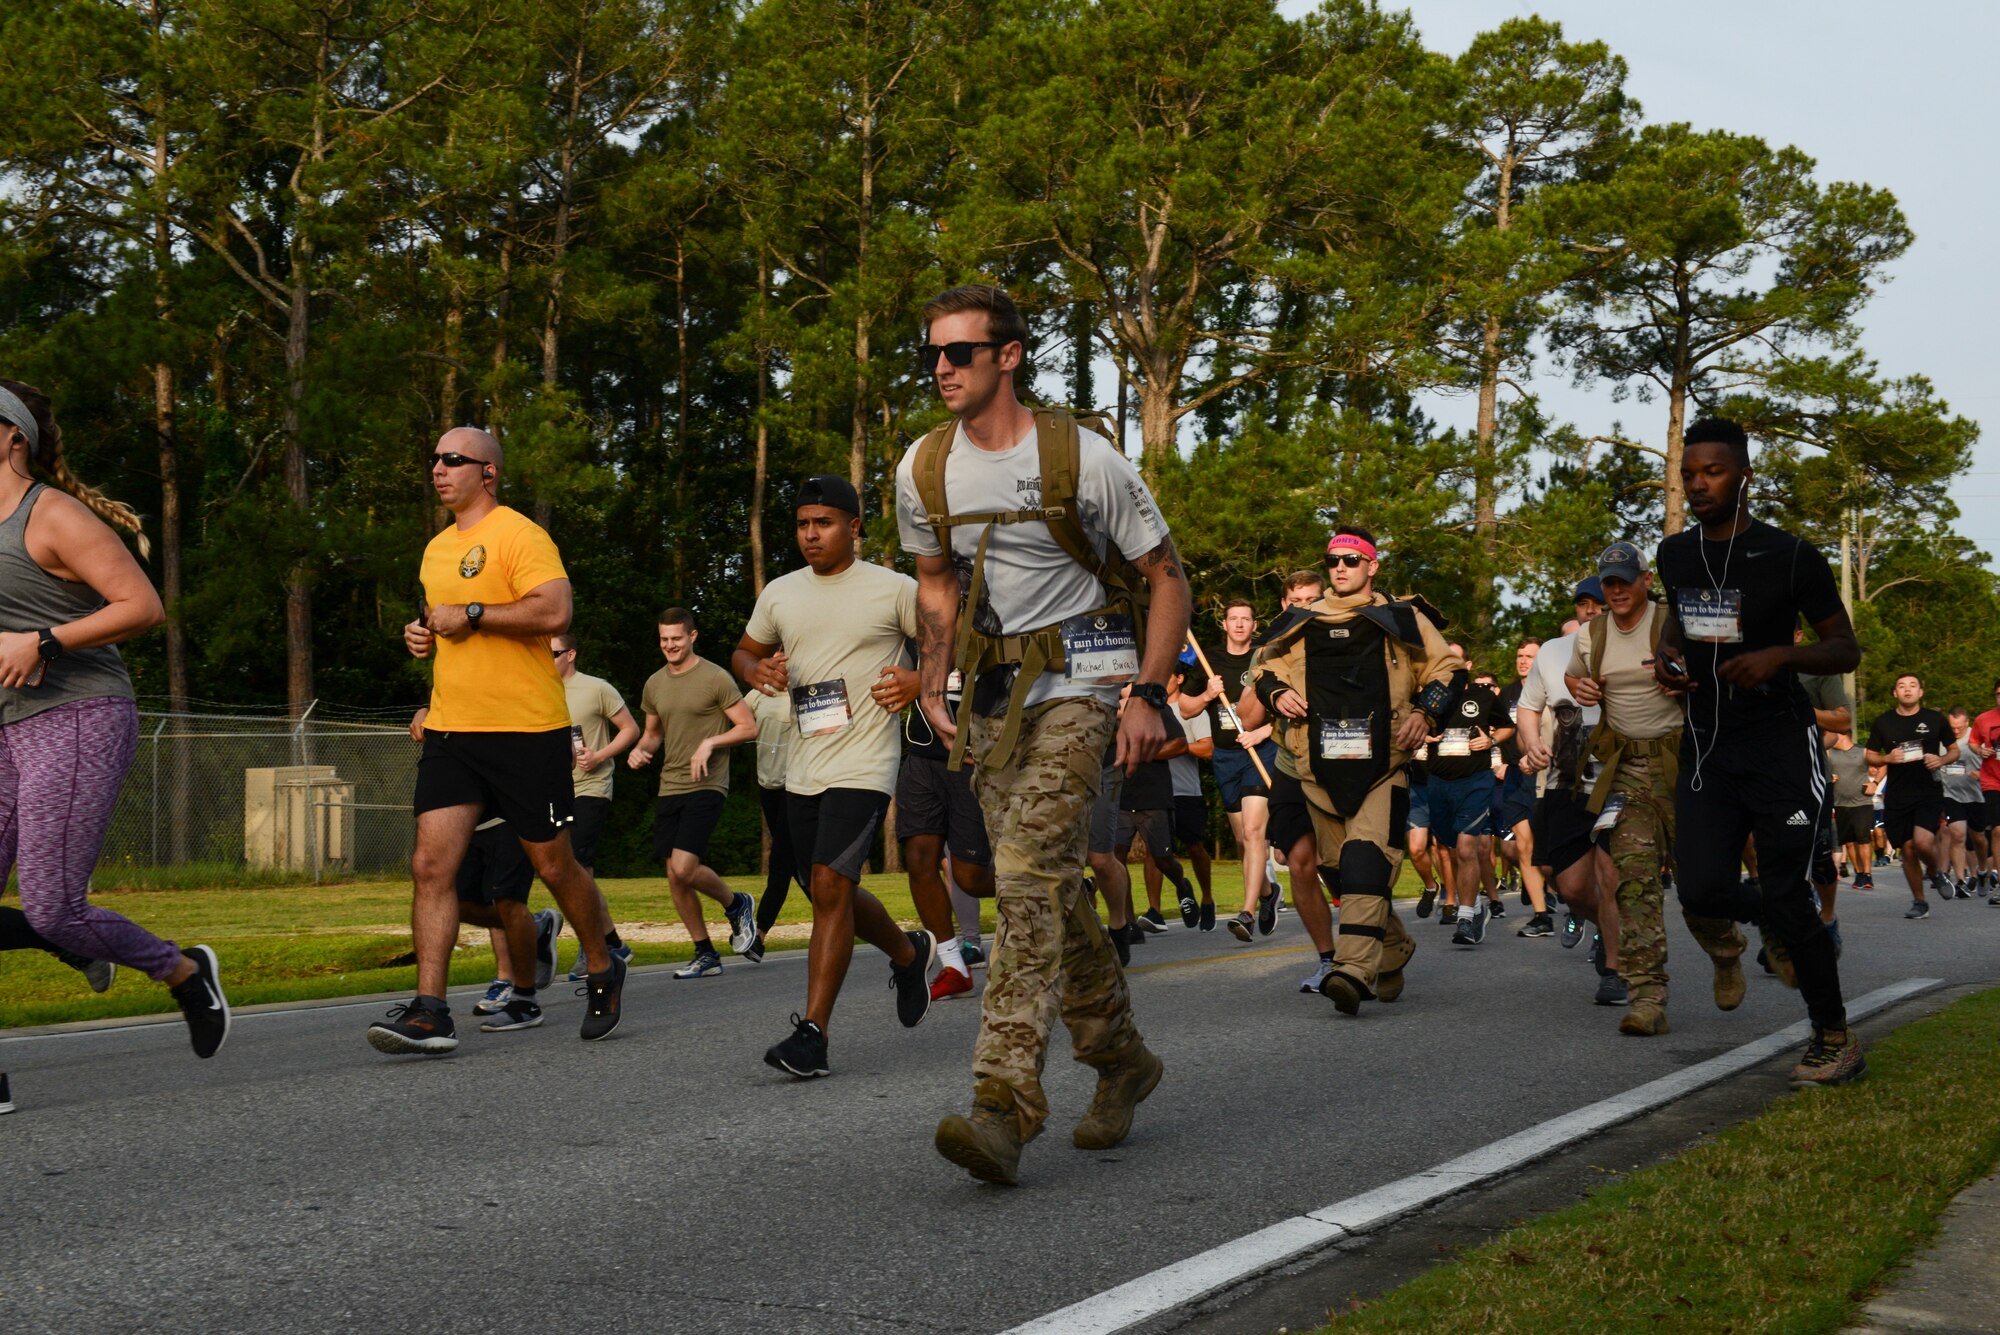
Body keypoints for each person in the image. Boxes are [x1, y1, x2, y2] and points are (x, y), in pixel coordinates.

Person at [898, 283, 1187, 1185]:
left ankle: (1002, 1104)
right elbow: (936, 581)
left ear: (1009, 356)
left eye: (960, 354)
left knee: (1023, 870)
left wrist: (1145, 691)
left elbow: (1170, 578)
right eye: (931, 355)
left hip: (1089, 681)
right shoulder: (924, 466)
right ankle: (1122, 1059)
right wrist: (936, 675)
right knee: (1050, 887)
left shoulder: (1082, 458)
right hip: (990, 696)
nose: (941, 369)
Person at [0, 379, 229, 1102]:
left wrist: (44, 639)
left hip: (75, 715)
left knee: (54, 907)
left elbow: (142, 605)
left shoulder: (51, 515)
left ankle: (182, 970)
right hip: (4, 725)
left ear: (14, 437)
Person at [375, 427, 626, 1054]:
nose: (438, 468)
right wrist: (424, 635)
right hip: (453, 730)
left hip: (525, 731)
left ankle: (601, 962)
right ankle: (431, 1010)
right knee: (431, 866)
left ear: (487, 473)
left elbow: (554, 612)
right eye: (434, 458)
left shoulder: (520, 535)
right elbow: (450, 624)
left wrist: (477, 615)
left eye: (453, 459)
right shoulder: (435, 551)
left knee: (552, 863)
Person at [1653, 417, 1864, 1087]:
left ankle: (1833, 1035)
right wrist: (1667, 660)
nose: (1697, 484)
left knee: (1787, 889)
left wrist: (1780, 655)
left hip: (1779, 744)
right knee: (1702, 887)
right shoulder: (1676, 554)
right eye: (1689, 474)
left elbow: (1844, 647)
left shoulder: (1792, 554)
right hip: (1707, 748)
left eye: (1711, 471)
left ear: (1744, 475)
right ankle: (1777, 918)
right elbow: (1676, 626)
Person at [735, 475, 933, 1077]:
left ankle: (813, 1035)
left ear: (854, 526)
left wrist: (919, 680)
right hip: (804, 763)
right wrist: (758, 667)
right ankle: (907, 952)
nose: (811, 534)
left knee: (828, 885)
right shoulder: (781, 593)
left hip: (866, 762)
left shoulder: (895, 589)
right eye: (802, 524)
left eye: (823, 522)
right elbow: (743, 651)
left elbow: (950, 646)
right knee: (823, 886)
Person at [1239, 526, 1458, 1013]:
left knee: (1366, 860)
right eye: (1333, 559)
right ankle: (1394, 947)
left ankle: (1351, 970)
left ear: (1372, 566)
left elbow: (1446, 670)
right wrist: (1276, 693)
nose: (1340, 567)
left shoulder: (1403, 618)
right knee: (1340, 873)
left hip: (1384, 765)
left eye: (1351, 560)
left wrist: (1424, 713)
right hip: (1316, 769)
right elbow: (1264, 669)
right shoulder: (1299, 621)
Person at [1565, 543, 1705, 1037]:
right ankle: (1648, 997)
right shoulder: (1592, 634)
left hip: (1685, 765)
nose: (1618, 589)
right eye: (1609, 582)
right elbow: (1574, 675)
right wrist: (1580, 689)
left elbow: (1718, 675)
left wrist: (1690, 684)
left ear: (1647, 580)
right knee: (1634, 882)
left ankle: (1726, 950)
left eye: (1626, 579)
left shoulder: (1676, 621)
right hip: (1626, 769)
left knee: (1701, 886)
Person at [407, 707, 562, 1020]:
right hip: (465, 812)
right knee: (457, 902)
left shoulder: (526, 672)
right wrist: (424, 711)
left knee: (507, 899)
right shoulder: (459, 665)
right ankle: (536, 929)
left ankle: (521, 994)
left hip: (509, 805)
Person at [629, 608, 759, 977]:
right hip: (670, 783)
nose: (669, 645)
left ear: (692, 636)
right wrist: (642, 751)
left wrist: (710, 743)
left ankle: (736, 905)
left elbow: (748, 727)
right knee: (674, 875)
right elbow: (653, 733)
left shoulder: (715, 678)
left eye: (676, 638)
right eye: (664, 639)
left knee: (684, 867)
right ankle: (705, 953)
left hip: (708, 783)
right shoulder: (655, 683)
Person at [1517, 604, 1627, 1005]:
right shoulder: (1553, 651)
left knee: (1612, 875)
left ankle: (1616, 970)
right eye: (1586, 603)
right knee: (1574, 888)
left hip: (1623, 782)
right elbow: (1528, 708)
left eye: (1603, 600)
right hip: (1567, 785)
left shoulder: (1640, 645)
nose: (1593, 610)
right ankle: (1616, 930)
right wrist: (1532, 745)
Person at [895, 652, 995, 1001]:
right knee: (920, 861)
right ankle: (954, 966)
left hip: (972, 757)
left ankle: (1059, 890)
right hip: (922, 757)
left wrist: (921, 679)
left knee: (970, 877)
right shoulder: (915, 617)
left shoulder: (985, 608)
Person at [1181, 600, 1280, 936]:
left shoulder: (1265, 657)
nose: (1239, 625)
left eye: (1245, 620)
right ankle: (1267, 893)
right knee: (1242, 842)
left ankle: (1247, 912)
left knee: (1254, 834)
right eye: (1233, 619)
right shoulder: (1209, 660)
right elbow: (1185, 706)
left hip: (1261, 753)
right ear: (1224, 624)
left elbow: (1283, 708)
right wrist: (1208, 694)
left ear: (1254, 625)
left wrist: (1262, 731)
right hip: (1226, 758)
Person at [552, 632, 639, 980]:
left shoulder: (596, 688)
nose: (547, 659)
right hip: (555, 791)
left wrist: (599, 755)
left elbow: (630, 729)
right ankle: (612, 942)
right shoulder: (539, 690)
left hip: (592, 786)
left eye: (554, 653)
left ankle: (595, 949)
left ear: (571, 654)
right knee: (568, 871)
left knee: (577, 864)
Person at [1429, 642, 1510, 946]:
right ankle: (1473, 906)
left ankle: (1464, 919)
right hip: (1437, 782)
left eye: (1454, 661)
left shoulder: (1482, 695)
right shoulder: (1427, 697)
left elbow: (1506, 728)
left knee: (1466, 848)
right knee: (1451, 848)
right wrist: (1419, 734)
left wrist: (1490, 740)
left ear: (1467, 664)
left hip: (1475, 781)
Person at [1863, 673, 1955, 919]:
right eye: (1901, 686)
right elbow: (1869, 755)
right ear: (1895, 693)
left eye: (1912, 686)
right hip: (1897, 795)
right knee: (1908, 850)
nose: (1907, 690)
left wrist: (1942, 759)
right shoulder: (1884, 722)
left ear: (1921, 692)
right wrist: (1886, 758)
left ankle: (1936, 873)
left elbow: (1954, 750)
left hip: (1928, 792)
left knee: (1922, 842)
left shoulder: (1935, 719)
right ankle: (1920, 902)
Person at [1495, 639, 1554, 935]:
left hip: (1545, 774)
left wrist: (1537, 754)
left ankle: (1571, 899)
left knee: (1550, 847)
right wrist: (1499, 758)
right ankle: (1541, 915)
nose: (1523, 661)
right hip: (1516, 776)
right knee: (1523, 845)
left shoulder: (1551, 687)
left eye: (1530, 656)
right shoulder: (1506, 694)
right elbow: (1498, 730)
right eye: (1520, 656)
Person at [1151, 663, 1217, 930]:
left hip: (1186, 790)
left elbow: (1208, 749)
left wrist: (1174, 748)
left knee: (1195, 848)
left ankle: (1208, 900)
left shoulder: (1191, 711)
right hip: (1156, 790)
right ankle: (1154, 912)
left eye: (1165, 675)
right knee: (1155, 852)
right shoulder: (1149, 710)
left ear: (1179, 679)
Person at [743, 677, 804, 962]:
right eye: (775, 653)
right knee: (799, 866)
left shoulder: (803, 690)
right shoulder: (758, 693)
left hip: (798, 786)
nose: (780, 660)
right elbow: (739, 723)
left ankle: (759, 936)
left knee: (780, 863)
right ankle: (847, 919)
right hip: (768, 786)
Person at [1825, 728, 1878, 894]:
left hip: (1862, 802)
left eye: (1831, 734)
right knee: (1849, 841)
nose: (1828, 737)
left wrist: (1875, 783)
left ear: (1841, 735)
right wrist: (1829, 776)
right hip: (1840, 803)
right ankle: (1859, 873)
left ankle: (1868, 874)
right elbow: (1818, 769)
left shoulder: (1863, 752)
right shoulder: (1829, 753)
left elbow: (1883, 765)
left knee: (1863, 838)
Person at [1941, 707, 1985, 898]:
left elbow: (1992, 764)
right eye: (1952, 727)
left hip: (1976, 795)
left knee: (1979, 839)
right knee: (1957, 835)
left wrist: (1981, 775)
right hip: (1951, 795)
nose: (1956, 731)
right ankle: (1960, 880)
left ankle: (1981, 872)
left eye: (1959, 727)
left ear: (1967, 723)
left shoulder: (1976, 739)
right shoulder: (1942, 740)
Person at [1966, 681, 2000, 896]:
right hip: (1992, 781)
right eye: (1998, 694)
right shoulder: (1983, 719)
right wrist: (1980, 751)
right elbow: (1973, 742)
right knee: (1997, 830)